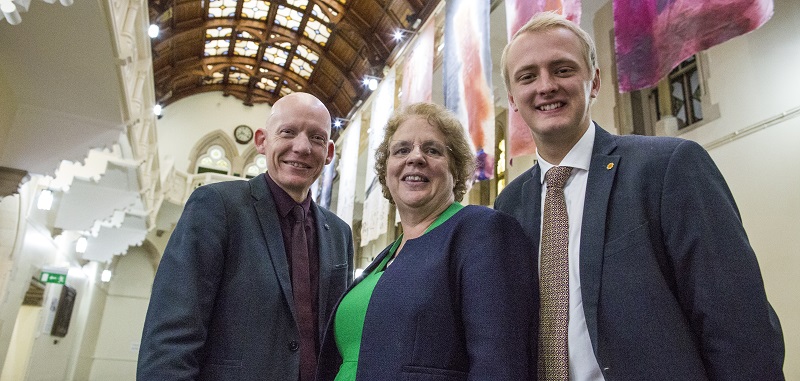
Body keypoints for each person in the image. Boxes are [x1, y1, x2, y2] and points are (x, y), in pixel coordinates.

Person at [495, 11, 784, 380]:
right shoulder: (509, 207)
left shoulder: (667, 168)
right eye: (528, 76)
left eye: (563, 69)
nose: (546, 85)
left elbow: (739, 326)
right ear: (513, 99)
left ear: (594, 82)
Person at [137, 92, 354, 380]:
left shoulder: (340, 233)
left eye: (316, 138)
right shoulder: (217, 207)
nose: (301, 147)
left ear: (328, 153)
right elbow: (171, 335)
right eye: (288, 132)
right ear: (262, 141)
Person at [316, 102, 538, 380]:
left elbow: (499, 366)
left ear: (455, 170)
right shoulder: (387, 255)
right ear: (387, 170)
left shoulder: (482, 231)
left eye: (432, 150)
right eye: (402, 150)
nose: (415, 158)